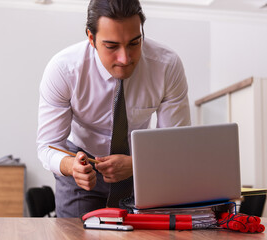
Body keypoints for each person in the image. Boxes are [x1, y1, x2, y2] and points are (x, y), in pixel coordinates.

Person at [37, 0, 191, 218]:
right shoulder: (63, 70)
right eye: (111, 46)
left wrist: (139, 163)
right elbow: (47, 146)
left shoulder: (167, 66)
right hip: (82, 164)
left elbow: (175, 143)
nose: (125, 59)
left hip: (142, 166)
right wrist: (72, 166)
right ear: (91, 38)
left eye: (134, 43)